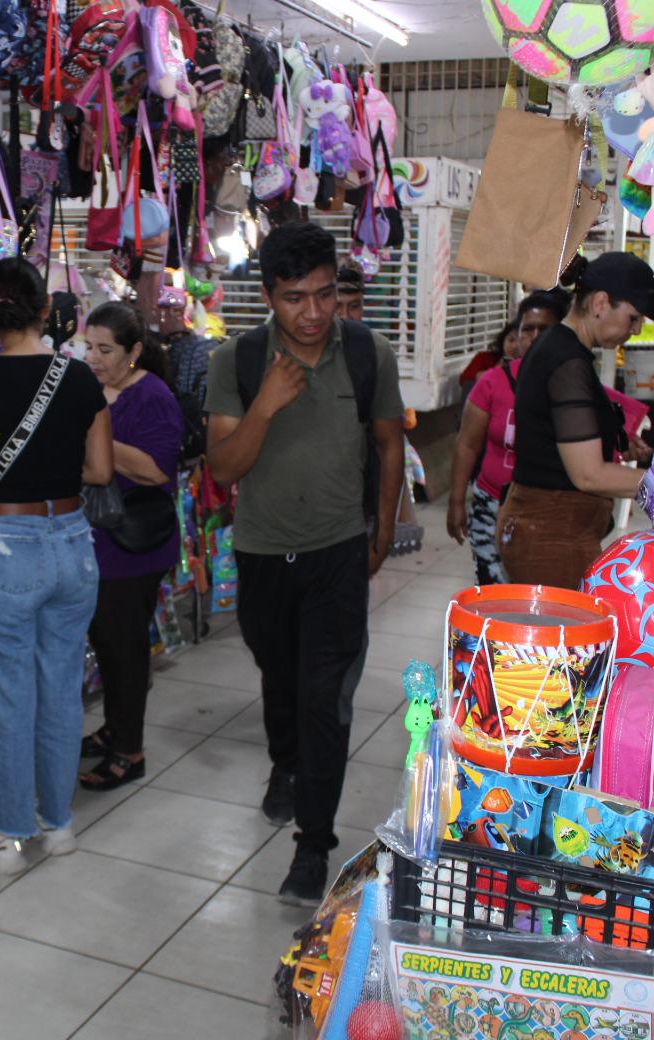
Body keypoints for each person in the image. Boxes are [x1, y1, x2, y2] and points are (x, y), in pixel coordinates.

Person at [205, 222, 405, 905]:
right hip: (263, 556)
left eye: (324, 294)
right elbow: (225, 470)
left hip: (337, 555)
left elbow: (387, 445)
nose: (314, 313)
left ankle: (312, 844)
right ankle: (284, 763)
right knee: (280, 679)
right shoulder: (237, 361)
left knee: (327, 699)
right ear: (267, 296)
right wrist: (264, 406)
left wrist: (380, 529)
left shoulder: (367, 353)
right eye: (295, 298)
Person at [0, 259, 114, 874]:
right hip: (71, 543)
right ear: (46, 311)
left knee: (12, 696)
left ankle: (8, 835)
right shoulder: (80, 380)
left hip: (6, 548)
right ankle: (58, 824)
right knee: (62, 691)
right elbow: (99, 471)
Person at [498, 253, 654, 589]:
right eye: (633, 318)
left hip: (549, 528)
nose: (634, 330)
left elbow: (559, 438)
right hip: (550, 535)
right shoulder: (565, 359)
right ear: (601, 303)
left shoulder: (562, 349)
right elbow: (588, 474)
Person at [77, 303, 183, 790]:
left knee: (124, 649)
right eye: (88, 347)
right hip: (95, 541)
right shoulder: (90, 390)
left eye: (105, 350)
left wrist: (92, 435)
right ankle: (114, 729)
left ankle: (130, 751)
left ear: (134, 352)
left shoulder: (152, 397)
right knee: (106, 641)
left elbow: (157, 470)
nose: (94, 358)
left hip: (133, 543)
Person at [445, 291, 567, 584]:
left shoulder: (572, 384)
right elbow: (467, 445)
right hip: (491, 505)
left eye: (545, 330)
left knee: (536, 595)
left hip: (547, 510)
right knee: (492, 590)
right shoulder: (491, 382)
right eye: (527, 329)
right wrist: (457, 501)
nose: (534, 337)